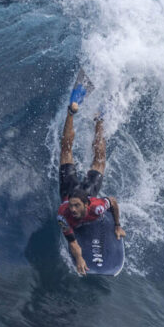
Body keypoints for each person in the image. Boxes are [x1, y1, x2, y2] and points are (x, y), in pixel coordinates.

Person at [56, 100, 125, 275]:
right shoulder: (64, 216)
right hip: (68, 189)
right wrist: (79, 259)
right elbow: (72, 242)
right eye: (71, 206)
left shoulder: (98, 207)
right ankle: (70, 114)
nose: (72, 209)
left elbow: (113, 202)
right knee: (66, 151)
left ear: (88, 205)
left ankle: (99, 120)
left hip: (86, 191)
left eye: (76, 206)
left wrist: (117, 225)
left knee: (99, 158)